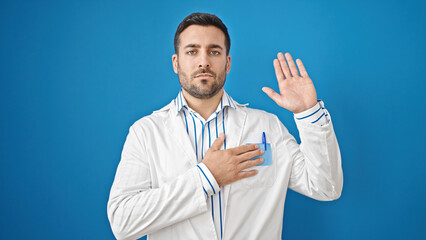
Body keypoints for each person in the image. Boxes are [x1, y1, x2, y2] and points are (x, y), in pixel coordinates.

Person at [107, 12, 343, 240]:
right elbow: (122, 223)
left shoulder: (267, 126)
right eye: (192, 51)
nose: (204, 61)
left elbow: (325, 187)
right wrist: (207, 177)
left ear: (227, 62)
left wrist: (307, 112)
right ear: (176, 63)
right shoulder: (146, 132)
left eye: (214, 51)